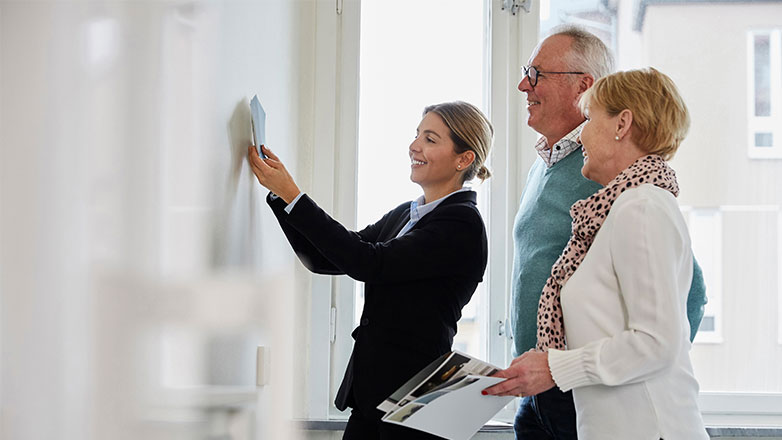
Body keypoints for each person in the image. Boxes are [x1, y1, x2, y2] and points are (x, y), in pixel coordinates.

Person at [482, 25, 707, 439]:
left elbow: (662, 339)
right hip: (577, 398)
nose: (582, 131)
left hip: (617, 407)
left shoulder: (640, 205)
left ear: (622, 124)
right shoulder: (614, 202)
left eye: (590, 118)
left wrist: (569, 369)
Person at [247, 101, 493, 439]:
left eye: (431, 139)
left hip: (417, 400)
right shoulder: (407, 214)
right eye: (417, 135)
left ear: (463, 159)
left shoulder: (462, 223)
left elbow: (369, 262)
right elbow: (326, 259)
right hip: (375, 394)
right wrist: (282, 197)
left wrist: (294, 194)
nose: (414, 146)